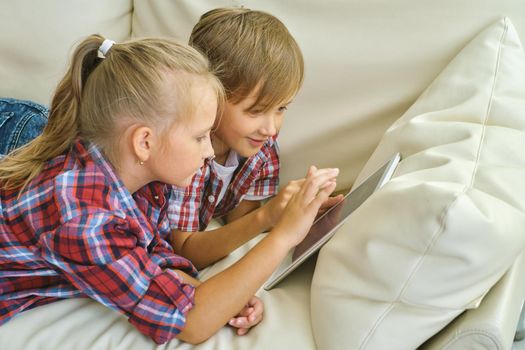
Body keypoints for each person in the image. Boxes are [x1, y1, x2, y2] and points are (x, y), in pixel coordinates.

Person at [0, 35, 339, 344]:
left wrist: (219, 294)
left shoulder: (142, 177)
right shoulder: (83, 221)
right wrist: (283, 236)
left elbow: (149, 250)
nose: (209, 151)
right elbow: (190, 322)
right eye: (200, 137)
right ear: (145, 142)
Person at [169, 7, 343, 270]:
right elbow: (184, 250)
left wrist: (292, 216)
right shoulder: (185, 152)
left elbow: (240, 224)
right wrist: (266, 216)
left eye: (281, 108)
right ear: (209, 95)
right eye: (256, 111)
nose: (271, 129)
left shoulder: (260, 150)